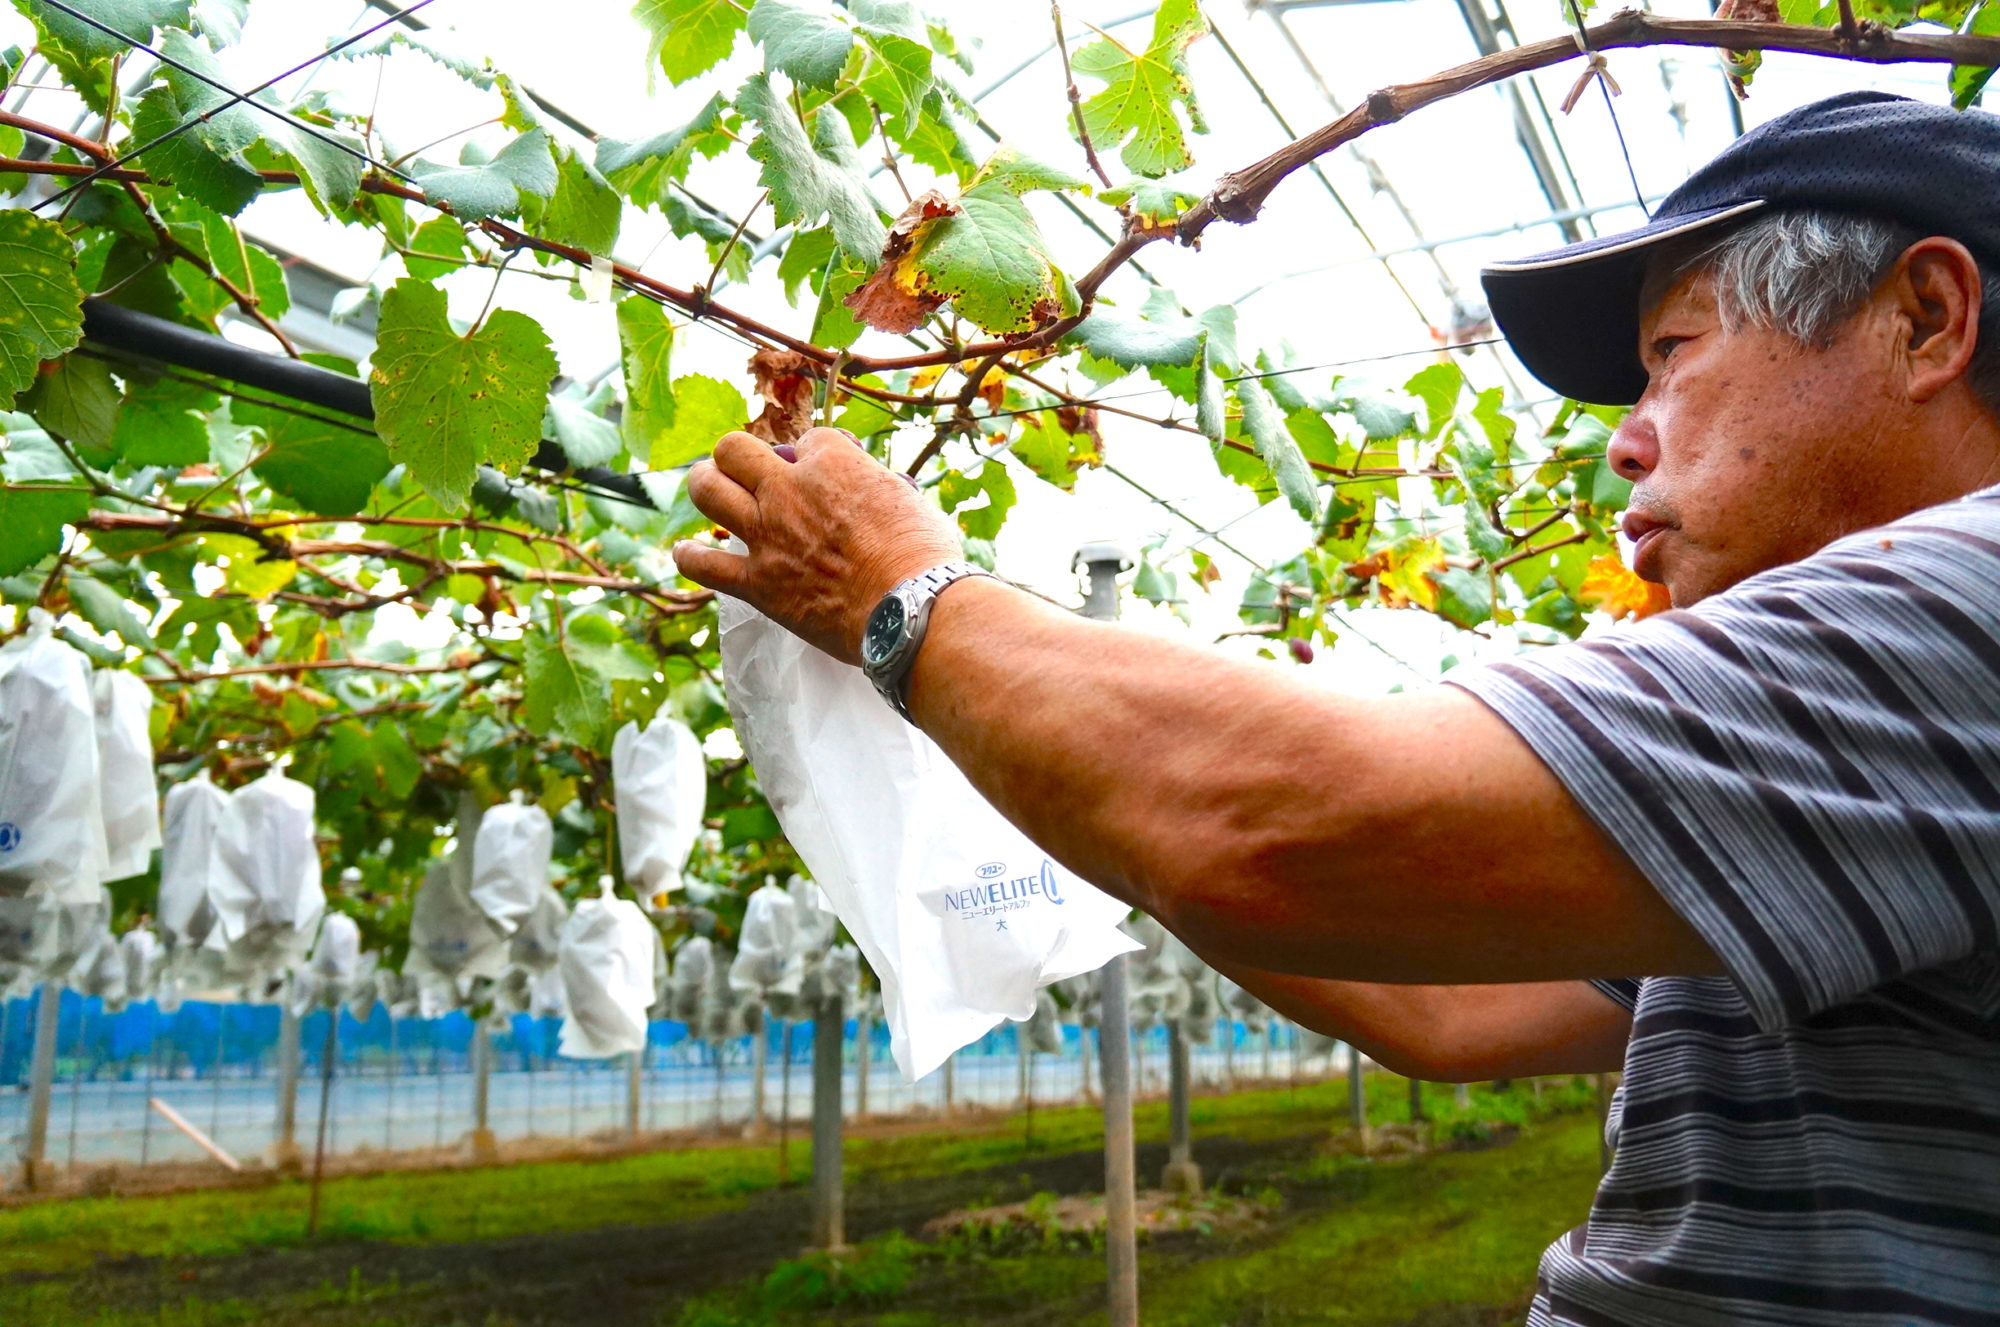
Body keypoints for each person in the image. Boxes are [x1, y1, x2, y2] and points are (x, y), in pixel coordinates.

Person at [673, 90, 2000, 1325]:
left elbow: (1278, 827)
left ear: (1927, 319)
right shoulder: (1846, 745)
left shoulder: (1971, 606)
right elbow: (1448, 1009)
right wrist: (1057, 759)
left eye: (1670, 353)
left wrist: (903, 595)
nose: (1624, 434)